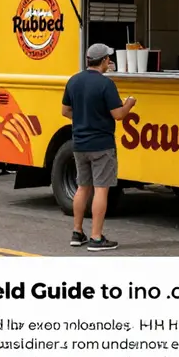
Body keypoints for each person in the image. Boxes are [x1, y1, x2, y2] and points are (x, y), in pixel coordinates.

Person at [61, 43, 136, 252]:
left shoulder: (74, 81)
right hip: (102, 144)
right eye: (108, 59)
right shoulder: (106, 84)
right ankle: (96, 237)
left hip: (79, 143)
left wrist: (83, 118)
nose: (109, 62)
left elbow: (65, 111)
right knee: (101, 189)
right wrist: (130, 103)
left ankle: (77, 232)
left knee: (82, 187)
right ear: (103, 60)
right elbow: (118, 115)